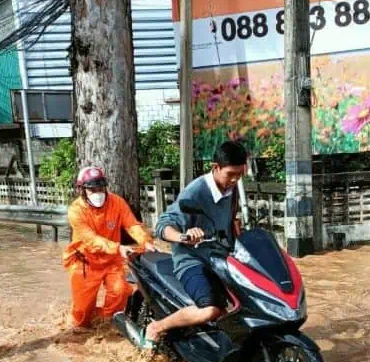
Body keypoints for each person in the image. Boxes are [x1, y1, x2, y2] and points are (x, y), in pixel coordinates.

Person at [145, 140, 247, 346]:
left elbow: (232, 223)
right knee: (211, 310)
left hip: (222, 260)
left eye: (239, 174)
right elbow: (163, 226)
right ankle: (157, 327)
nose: (235, 180)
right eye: (230, 174)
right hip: (193, 261)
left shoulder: (232, 189)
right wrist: (183, 237)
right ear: (215, 167)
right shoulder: (195, 192)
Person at [63, 165, 155, 328]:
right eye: (92, 189)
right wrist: (118, 248)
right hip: (85, 262)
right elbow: (90, 239)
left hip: (111, 260)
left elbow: (132, 225)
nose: (98, 193)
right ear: (82, 190)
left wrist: (146, 241)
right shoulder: (76, 211)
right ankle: (80, 322)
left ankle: (106, 324)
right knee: (81, 317)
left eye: (100, 187)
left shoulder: (116, 202)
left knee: (119, 292)